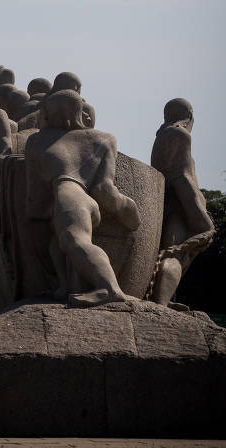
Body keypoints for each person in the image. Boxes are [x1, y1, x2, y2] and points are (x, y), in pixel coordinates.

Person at [25, 90, 140, 307]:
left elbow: (35, 192)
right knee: (56, 244)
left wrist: (35, 214)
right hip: (85, 201)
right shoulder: (104, 138)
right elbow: (103, 188)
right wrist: (125, 208)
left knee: (74, 240)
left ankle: (109, 289)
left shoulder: (38, 141)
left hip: (68, 197)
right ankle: (68, 287)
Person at [149, 98, 215, 306]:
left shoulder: (162, 135)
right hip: (182, 204)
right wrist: (198, 213)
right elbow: (182, 177)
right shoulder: (180, 134)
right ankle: (160, 304)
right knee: (176, 253)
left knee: (174, 251)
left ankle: (163, 298)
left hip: (168, 202)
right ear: (190, 116)